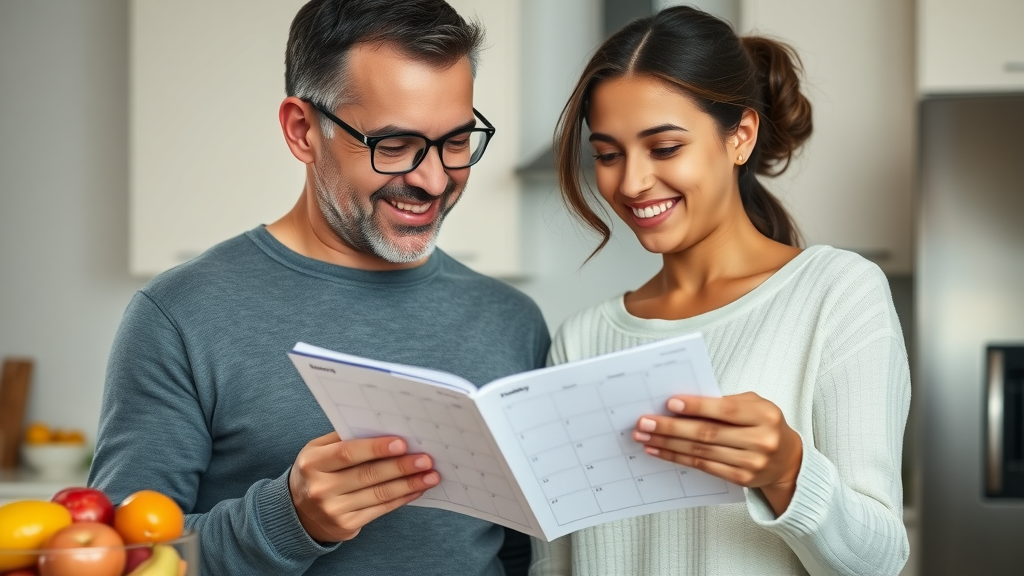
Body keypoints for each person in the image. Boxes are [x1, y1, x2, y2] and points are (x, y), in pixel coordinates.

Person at [89, 1, 549, 574]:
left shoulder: (511, 320)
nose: (433, 180)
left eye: (456, 141)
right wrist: (290, 518)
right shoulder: (180, 315)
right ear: (302, 130)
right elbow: (115, 559)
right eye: (394, 144)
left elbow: (511, 555)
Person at [530, 6, 910, 576]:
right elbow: (555, 564)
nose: (630, 182)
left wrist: (787, 471)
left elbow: (878, 562)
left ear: (741, 136)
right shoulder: (581, 338)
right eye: (608, 154)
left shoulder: (835, 293)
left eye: (664, 148)